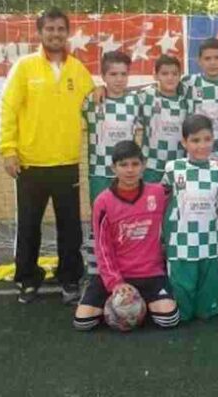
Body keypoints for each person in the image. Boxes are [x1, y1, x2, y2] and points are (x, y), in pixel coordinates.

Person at [0, 7, 94, 304]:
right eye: (50, 29)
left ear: (67, 33)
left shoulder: (77, 69)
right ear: (40, 33)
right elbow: (8, 108)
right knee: (28, 226)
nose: (55, 34)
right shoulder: (24, 67)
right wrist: (8, 150)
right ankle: (27, 279)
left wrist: (101, 90)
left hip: (66, 163)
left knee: (70, 228)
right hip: (30, 164)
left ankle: (70, 279)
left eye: (60, 29)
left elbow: (93, 102)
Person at [72, 141, 179, 331]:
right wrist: (115, 283)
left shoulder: (158, 193)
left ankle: (141, 302)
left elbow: (186, 187)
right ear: (113, 168)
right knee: (83, 322)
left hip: (150, 273)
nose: (130, 170)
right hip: (117, 273)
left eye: (135, 164)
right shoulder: (103, 202)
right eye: (123, 165)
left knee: (169, 320)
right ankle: (112, 301)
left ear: (144, 165)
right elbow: (102, 247)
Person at [161, 114, 218, 321]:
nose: (202, 145)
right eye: (195, 140)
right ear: (184, 142)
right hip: (181, 244)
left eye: (207, 139)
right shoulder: (173, 168)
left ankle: (208, 306)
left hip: (209, 242)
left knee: (207, 311)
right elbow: (164, 198)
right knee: (182, 312)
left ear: (213, 139)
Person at [82, 51, 137, 276]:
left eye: (123, 74)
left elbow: (164, 85)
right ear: (103, 76)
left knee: (126, 224)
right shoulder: (91, 101)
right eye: (113, 74)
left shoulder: (136, 101)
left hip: (126, 175)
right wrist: (95, 89)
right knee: (100, 224)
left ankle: (125, 270)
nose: (119, 79)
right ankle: (96, 273)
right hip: (100, 174)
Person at [136, 55, 188, 183]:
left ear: (180, 75)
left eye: (174, 74)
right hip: (150, 167)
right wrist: (101, 88)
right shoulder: (146, 96)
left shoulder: (187, 100)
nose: (170, 78)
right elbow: (120, 96)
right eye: (165, 74)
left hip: (178, 166)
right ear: (155, 76)